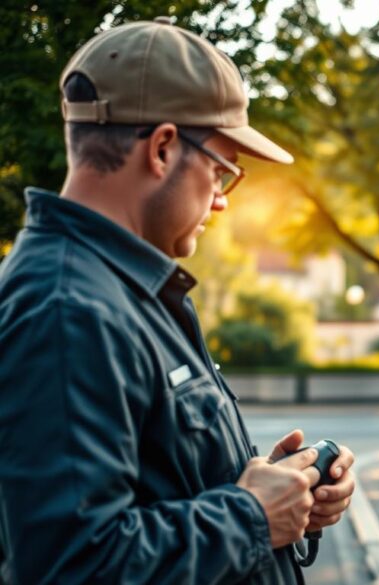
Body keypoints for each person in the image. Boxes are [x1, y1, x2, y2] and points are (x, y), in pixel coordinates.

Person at [0, 17, 355, 584]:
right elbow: (68, 565)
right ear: (163, 148)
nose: (221, 201)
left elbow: (158, 493)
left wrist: (287, 501)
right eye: (220, 171)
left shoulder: (125, 288)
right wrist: (252, 517)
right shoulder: (68, 309)